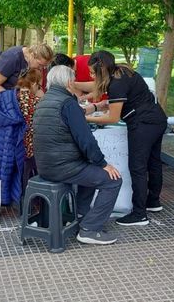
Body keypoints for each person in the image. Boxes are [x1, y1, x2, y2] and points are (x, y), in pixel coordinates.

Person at [33, 65, 121, 245]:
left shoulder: (44, 100)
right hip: (63, 167)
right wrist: (103, 164)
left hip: (44, 165)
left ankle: (81, 216)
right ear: (68, 83)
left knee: (90, 169)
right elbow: (85, 140)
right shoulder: (67, 103)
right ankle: (90, 229)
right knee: (112, 180)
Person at [82, 50, 167, 227]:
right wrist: (82, 93)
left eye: (92, 73)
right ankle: (153, 202)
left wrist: (85, 118)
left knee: (137, 167)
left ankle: (139, 214)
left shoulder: (116, 85)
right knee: (153, 162)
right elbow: (102, 90)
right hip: (157, 118)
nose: (91, 76)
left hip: (143, 124)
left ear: (102, 70)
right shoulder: (122, 71)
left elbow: (113, 118)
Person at [0, 68, 43, 208]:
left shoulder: (3, 98)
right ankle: (32, 200)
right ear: (34, 84)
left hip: (0, 147)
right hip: (23, 150)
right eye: (40, 85)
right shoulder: (36, 103)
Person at [0, 43, 53, 117]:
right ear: (32, 55)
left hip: (11, 97)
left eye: (44, 66)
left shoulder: (31, 61)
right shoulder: (13, 57)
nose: (41, 68)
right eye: (40, 65)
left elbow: (37, 87)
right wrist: (14, 98)